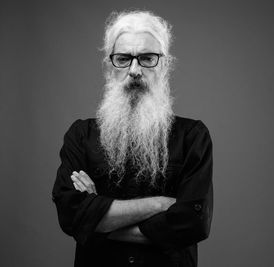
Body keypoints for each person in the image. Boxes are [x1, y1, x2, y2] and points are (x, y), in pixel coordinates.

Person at [52, 10, 213, 267]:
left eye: (147, 58)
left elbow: (193, 222)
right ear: (109, 66)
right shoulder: (80, 135)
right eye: (124, 59)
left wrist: (97, 221)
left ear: (165, 64)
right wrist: (160, 204)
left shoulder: (193, 136)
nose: (135, 70)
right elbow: (71, 214)